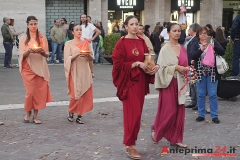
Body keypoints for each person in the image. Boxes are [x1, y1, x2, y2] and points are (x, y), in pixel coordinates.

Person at [112, 15, 159, 159]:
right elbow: (118, 65)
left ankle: (131, 144)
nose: (134, 27)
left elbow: (148, 59)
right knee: (133, 114)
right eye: (131, 24)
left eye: (136, 24)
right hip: (129, 83)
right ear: (125, 27)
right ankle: (130, 145)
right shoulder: (121, 43)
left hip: (140, 83)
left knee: (137, 116)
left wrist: (153, 67)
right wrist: (136, 64)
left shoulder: (142, 41)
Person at [152, 23, 188, 148]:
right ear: (168, 33)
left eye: (179, 31)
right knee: (169, 111)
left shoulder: (183, 48)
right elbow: (161, 68)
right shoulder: (165, 49)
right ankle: (158, 130)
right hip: (168, 83)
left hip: (180, 84)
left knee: (179, 111)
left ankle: (176, 138)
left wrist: (187, 69)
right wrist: (176, 67)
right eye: (174, 31)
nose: (177, 33)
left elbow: (185, 65)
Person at [18, 16, 53, 124]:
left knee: (38, 92)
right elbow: (21, 54)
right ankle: (28, 113)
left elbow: (47, 54)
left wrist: (42, 52)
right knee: (30, 92)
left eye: (35, 24)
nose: (33, 26)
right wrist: (28, 51)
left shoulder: (42, 38)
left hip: (40, 68)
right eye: (31, 24)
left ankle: (36, 116)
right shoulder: (24, 38)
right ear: (27, 25)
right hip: (27, 68)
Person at [190, 26, 225, 124]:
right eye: (201, 34)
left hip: (213, 73)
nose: (203, 35)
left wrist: (215, 47)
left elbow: (222, 52)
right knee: (200, 94)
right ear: (198, 35)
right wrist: (201, 50)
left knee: (212, 94)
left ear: (208, 34)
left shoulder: (213, 42)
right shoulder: (196, 44)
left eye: (205, 33)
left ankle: (214, 115)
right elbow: (192, 55)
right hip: (200, 73)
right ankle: (201, 115)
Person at [64, 24, 93, 124]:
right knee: (75, 93)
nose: (79, 31)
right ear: (72, 32)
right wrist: (76, 55)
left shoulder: (86, 42)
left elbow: (91, 59)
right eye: (77, 30)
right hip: (74, 70)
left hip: (84, 70)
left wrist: (88, 55)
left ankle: (80, 115)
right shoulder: (68, 44)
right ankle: (71, 111)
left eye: (80, 30)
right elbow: (67, 59)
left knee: (83, 94)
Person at [183, 23, 200, 110]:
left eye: (189, 29)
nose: (188, 31)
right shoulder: (190, 39)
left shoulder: (196, 39)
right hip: (189, 64)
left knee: (195, 83)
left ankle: (197, 102)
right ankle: (193, 100)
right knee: (191, 83)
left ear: (193, 30)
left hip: (193, 64)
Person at [228, 13, 240, 79]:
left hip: (238, 39)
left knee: (236, 57)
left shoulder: (238, 17)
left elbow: (234, 28)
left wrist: (233, 37)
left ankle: (236, 74)